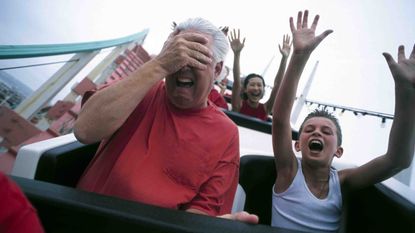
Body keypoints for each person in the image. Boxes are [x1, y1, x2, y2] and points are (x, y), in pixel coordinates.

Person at [74, 18, 240, 217]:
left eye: (197, 55)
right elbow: (84, 130)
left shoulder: (226, 134)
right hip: (83, 216)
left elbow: (205, 208)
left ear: (218, 70)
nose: (183, 64)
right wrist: (160, 64)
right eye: (176, 53)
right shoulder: (139, 89)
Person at [271, 10, 415, 232]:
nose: (317, 132)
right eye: (309, 130)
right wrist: (299, 56)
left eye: (326, 131)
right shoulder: (289, 170)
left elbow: (398, 160)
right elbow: (280, 119)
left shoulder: (344, 182)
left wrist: (406, 91)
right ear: (298, 144)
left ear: (338, 151)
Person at [229, 29, 291, 121]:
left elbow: (277, 86)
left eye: (259, 85)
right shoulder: (238, 105)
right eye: (252, 85)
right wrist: (237, 54)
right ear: (245, 89)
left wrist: (284, 58)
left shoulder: (266, 108)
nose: (256, 88)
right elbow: (237, 82)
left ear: (263, 89)